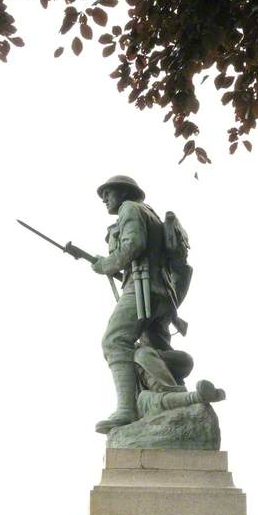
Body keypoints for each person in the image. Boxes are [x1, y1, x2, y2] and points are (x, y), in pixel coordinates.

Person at [90, 175, 187, 434]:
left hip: (142, 289)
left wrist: (106, 265)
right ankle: (178, 401)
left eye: (108, 193)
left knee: (114, 341)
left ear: (123, 193)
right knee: (154, 352)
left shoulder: (129, 208)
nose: (105, 200)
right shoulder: (150, 214)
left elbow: (134, 245)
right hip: (163, 296)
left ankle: (126, 409)